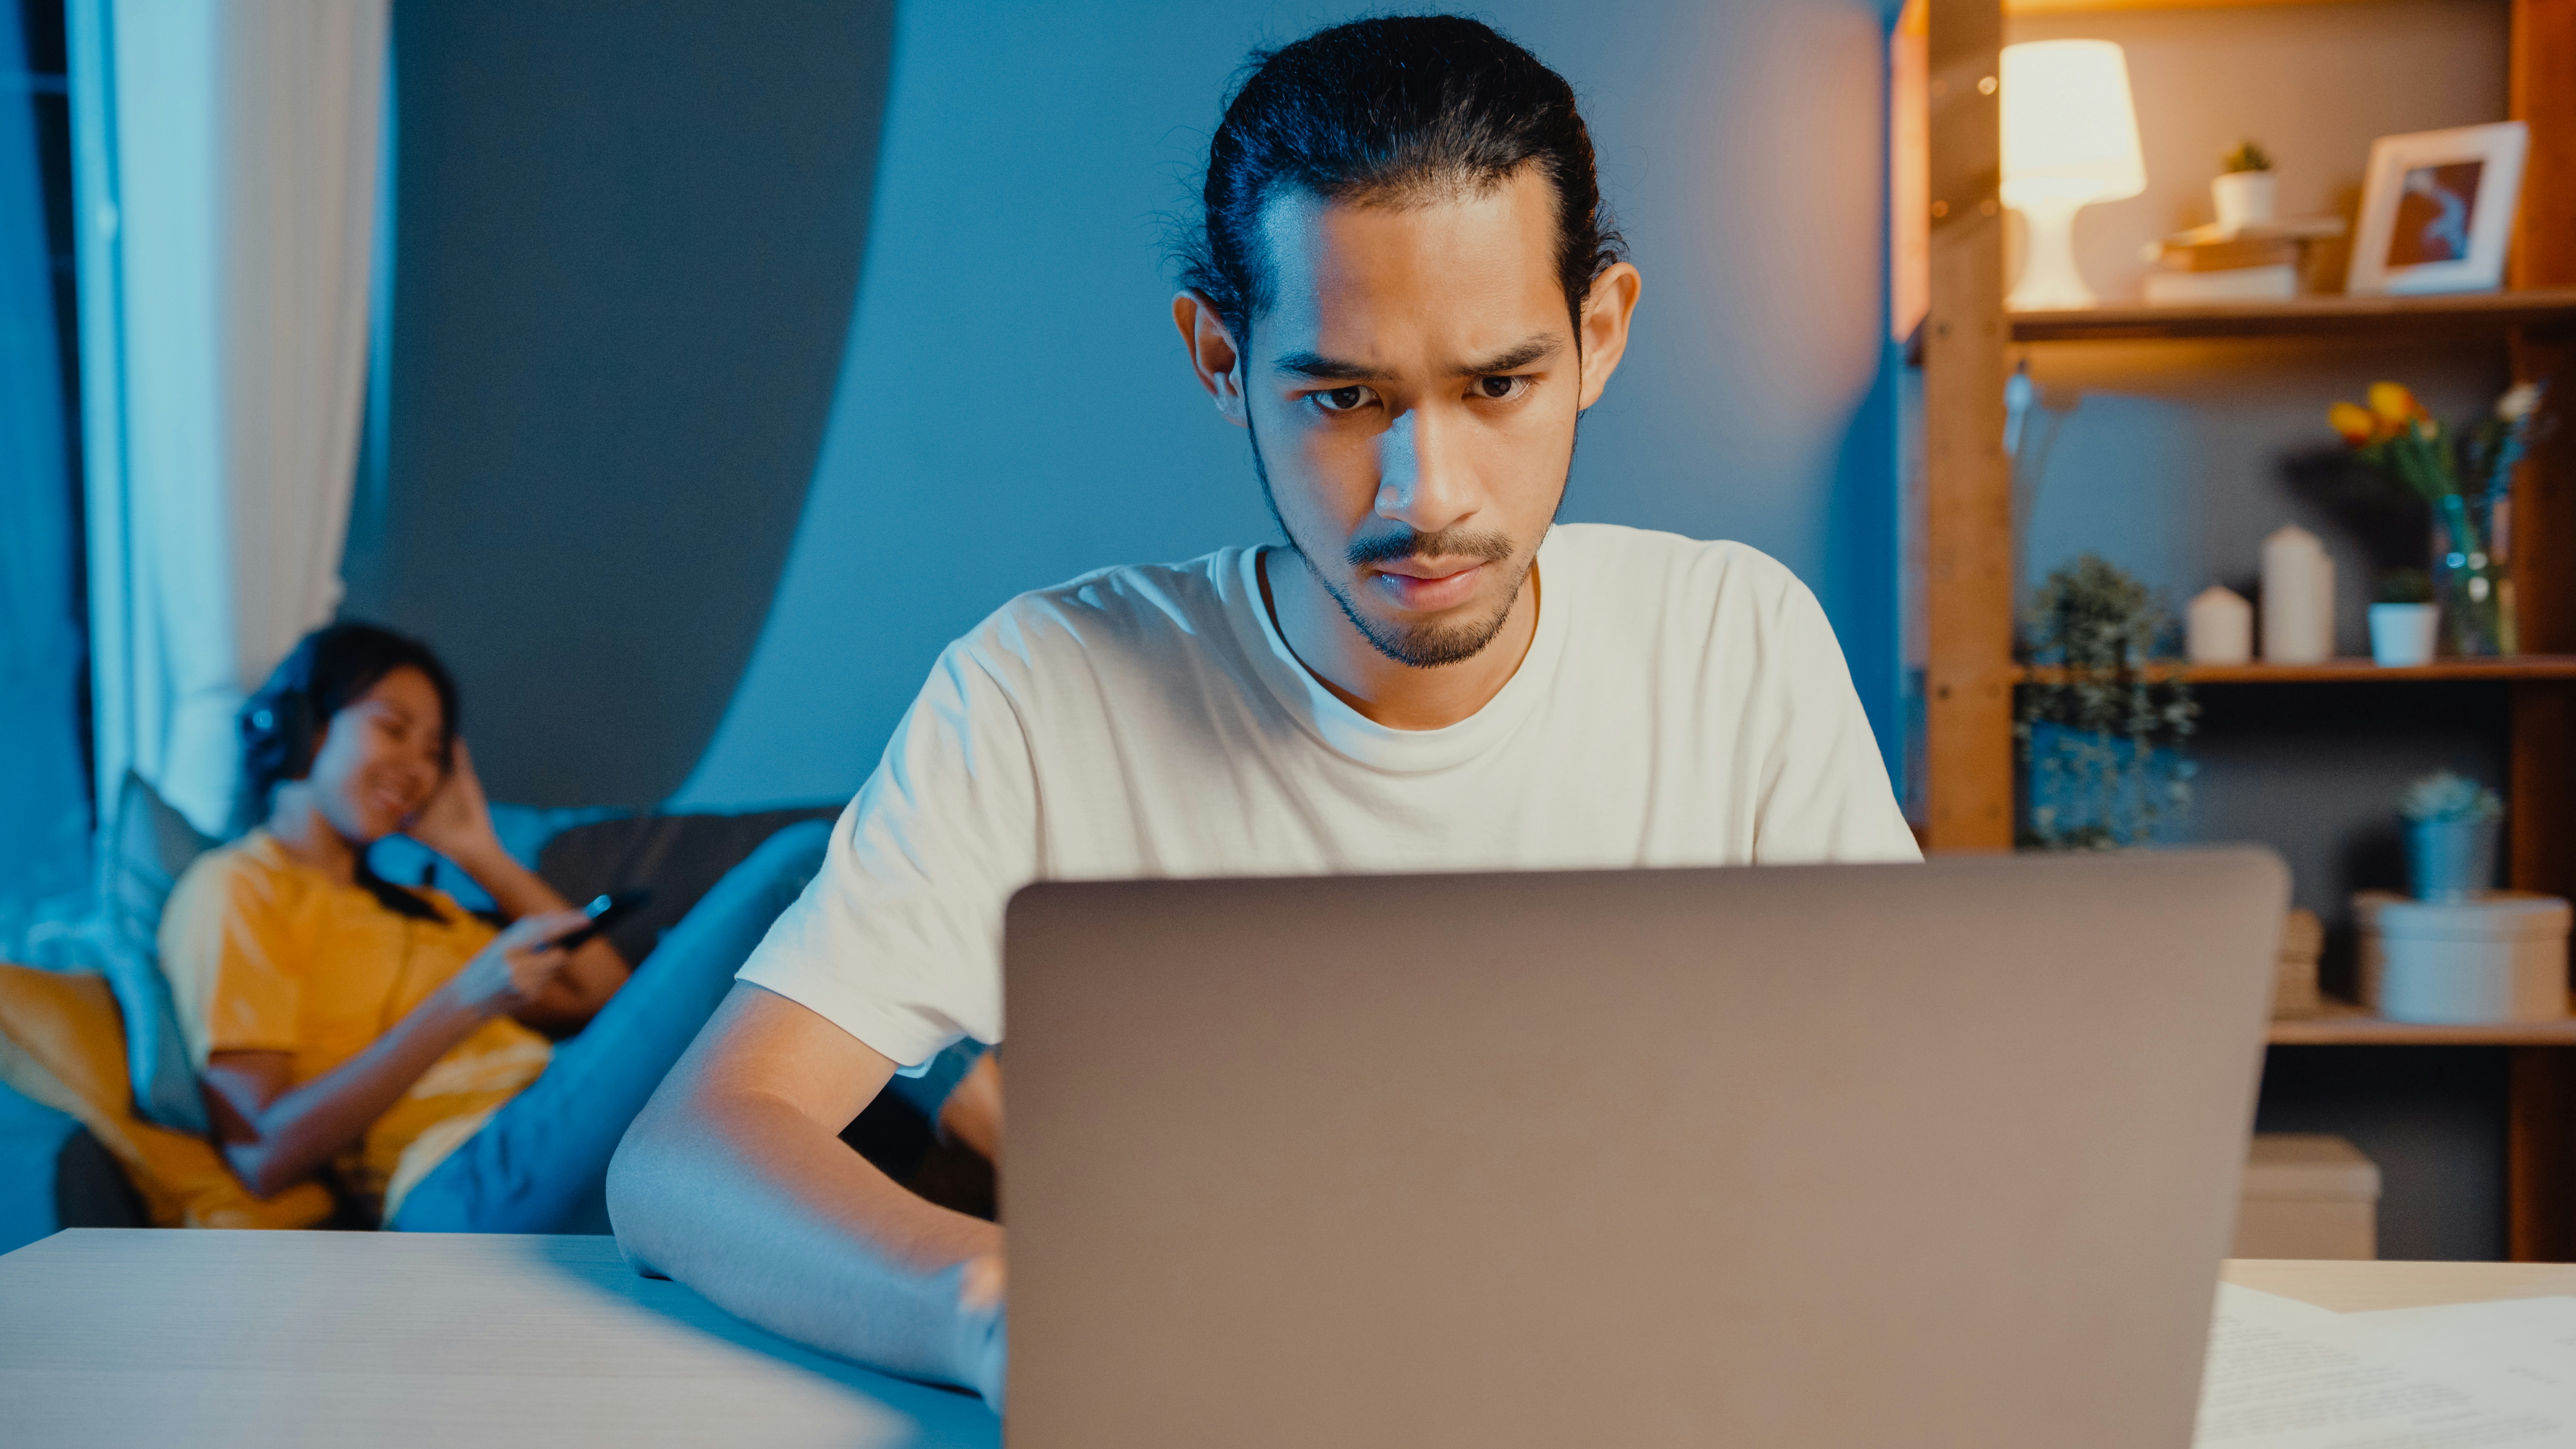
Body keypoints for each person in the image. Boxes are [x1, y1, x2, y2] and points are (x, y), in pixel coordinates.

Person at [606, 14, 1917, 1407]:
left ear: (1599, 334)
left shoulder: (1735, 642)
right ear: (1221, 358)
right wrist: (997, 1307)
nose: (1428, 494)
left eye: (1498, 384)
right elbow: (686, 1155)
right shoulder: (1045, 690)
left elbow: (1919, 1117)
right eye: (1344, 396)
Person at [158, 622, 952, 1231]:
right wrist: (467, 999)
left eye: (434, 750)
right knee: (804, 867)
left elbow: (602, 997)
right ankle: (1033, 1153)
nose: (415, 764)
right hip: (464, 1184)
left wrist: (477, 850)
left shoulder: (422, 907)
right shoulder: (239, 889)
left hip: (555, 1127)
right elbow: (262, 1153)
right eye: (393, 728)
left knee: (832, 917)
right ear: (306, 726)